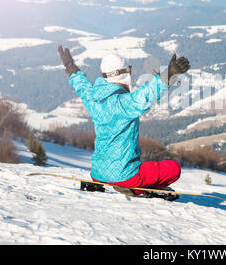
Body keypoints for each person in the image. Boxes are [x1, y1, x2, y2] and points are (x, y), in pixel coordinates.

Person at [57, 45, 190, 197]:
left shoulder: (94, 99)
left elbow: (81, 85)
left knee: (142, 167)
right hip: (125, 176)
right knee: (173, 168)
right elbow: (147, 95)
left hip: (98, 174)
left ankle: (125, 184)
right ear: (125, 73)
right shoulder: (123, 102)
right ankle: (135, 188)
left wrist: (70, 66)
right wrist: (168, 75)